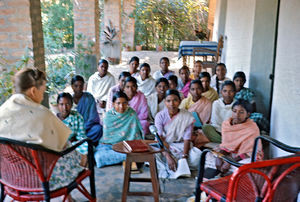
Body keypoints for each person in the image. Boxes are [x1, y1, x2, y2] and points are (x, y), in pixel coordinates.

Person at [0, 68, 83, 193]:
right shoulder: (43, 115)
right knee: (70, 150)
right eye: (43, 92)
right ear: (33, 91)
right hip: (43, 180)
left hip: (11, 177)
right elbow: (61, 144)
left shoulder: (2, 111)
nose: (43, 96)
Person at [204, 99, 263, 178]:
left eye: (241, 112)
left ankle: (231, 176)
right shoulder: (226, 124)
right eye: (234, 111)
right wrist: (219, 156)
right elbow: (225, 146)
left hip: (244, 155)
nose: (237, 115)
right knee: (208, 156)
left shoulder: (252, 128)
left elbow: (250, 152)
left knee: (247, 165)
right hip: (230, 152)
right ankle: (221, 173)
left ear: (248, 115)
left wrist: (231, 162)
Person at [154, 89, 197, 178]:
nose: (172, 104)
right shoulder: (160, 116)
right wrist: (168, 156)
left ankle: (178, 166)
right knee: (153, 156)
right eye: (168, 101)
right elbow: (159, 138)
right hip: (165, 146)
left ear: (180, 101)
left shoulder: (187, 116)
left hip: (180, 146)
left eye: (175, 100)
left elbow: (187, 139)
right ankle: (169, 165)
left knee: (197, 156)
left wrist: (184, 158)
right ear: (164, 102)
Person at [94, 91, 143, 168]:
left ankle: (124, 158)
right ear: (113, 104)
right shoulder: (108, 116)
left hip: (129, 145)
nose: (121, 106)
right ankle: (128, 158)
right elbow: (107, 140)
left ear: (127, 103)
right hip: (110, 146)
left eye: (124, 103)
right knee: (99, 157)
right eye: (118, 103)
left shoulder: (132, 113)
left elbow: (136, 135)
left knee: (138, 151)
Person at [71, 75, 103, 143]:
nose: (79, 88)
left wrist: (81, 130)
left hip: (87, 128)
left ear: (84, 86)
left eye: (81, 86)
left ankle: (80, 141)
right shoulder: (68, 99)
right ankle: (84, 142)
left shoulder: (89, 98)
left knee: (98, 129)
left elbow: (92, 118)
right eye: (76, 86)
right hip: (73, 130)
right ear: (72, 86)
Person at [57, 92, 88, 158]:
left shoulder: (77, 116)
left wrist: (72, 142)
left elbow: (81, 137)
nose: (65, 108)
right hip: (57, 147)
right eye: (61, 104)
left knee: (87, 146)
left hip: (73, 145)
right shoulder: (52, 118)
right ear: (58, 105)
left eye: (67, 104)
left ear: (71, 105)